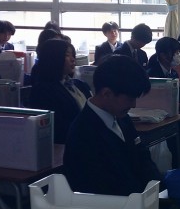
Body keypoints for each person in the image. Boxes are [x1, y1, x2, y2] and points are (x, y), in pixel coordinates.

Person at [63, 55, 160, 196]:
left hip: (141, 199)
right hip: (112, 206)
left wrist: (159, 187)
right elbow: (101, 187)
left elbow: (142, 159)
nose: (133, 105)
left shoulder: (122, 118)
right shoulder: (83, 134)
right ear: (107, 93)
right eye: (130, 98)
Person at [29, 39, 92, 144]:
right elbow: (58, 128)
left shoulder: (79, 85)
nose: (73, 59)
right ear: (53, 58)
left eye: (73, 55)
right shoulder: (43, 91)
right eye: (67, 55)